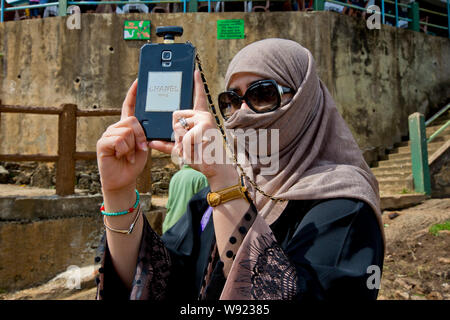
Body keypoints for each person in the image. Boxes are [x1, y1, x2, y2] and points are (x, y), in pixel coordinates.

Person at [95, 38, 384, 300]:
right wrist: (119, 193)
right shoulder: (213, 199)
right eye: (232, 100)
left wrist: (224, 181)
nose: (243, 112)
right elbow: (159, 278)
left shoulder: (344, 207)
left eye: (262, 94)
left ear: (304, 102)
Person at [162, 163, 209, 234]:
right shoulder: (201, 177)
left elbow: (169, 205)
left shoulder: (176, 176)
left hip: (169, 226)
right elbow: (205, 209)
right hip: (185, 231)